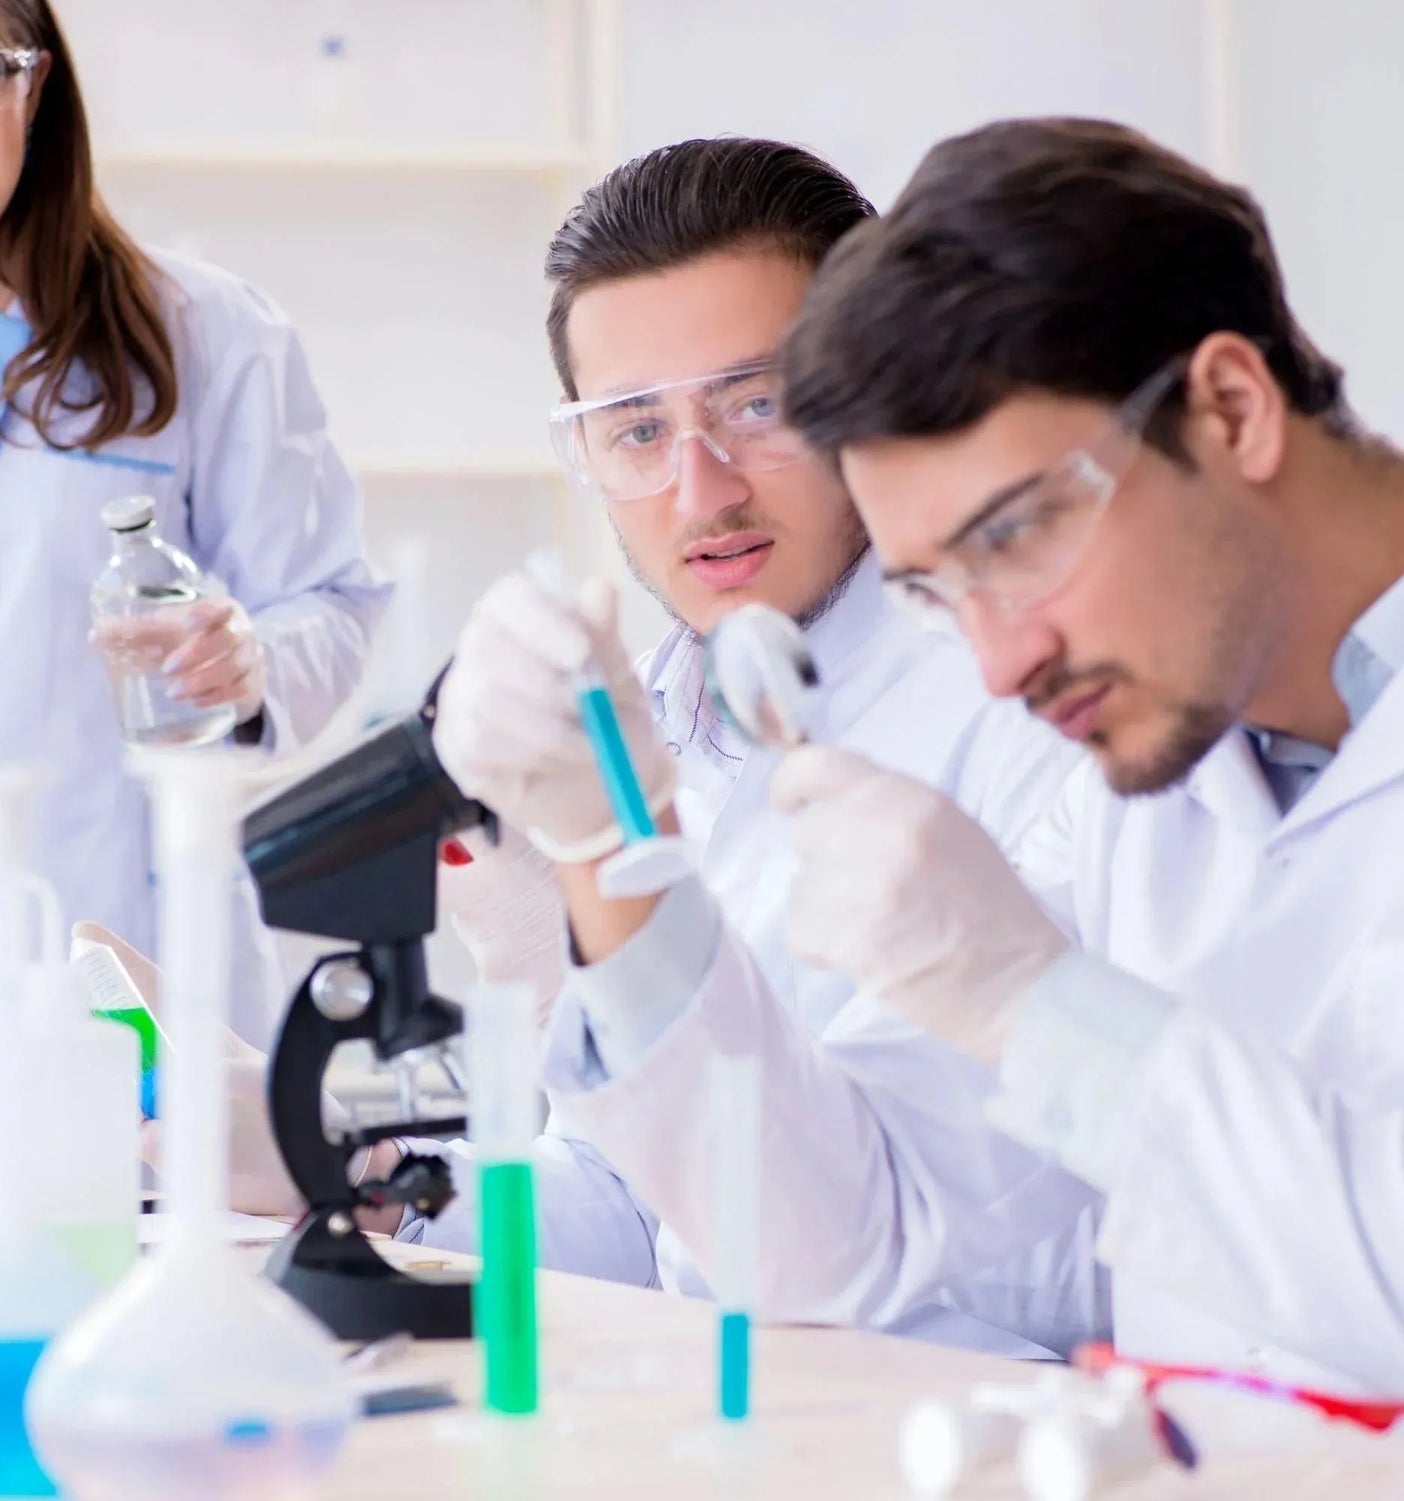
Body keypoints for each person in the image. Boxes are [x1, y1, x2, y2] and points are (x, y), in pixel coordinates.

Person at [411, 137, 1101, 1357]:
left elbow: (879, 1251)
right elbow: (641, 1211)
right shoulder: (667, 705)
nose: (700, 492)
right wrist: (303, 1155)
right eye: (634, 430)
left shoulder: (1034, 704)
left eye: (760, 405)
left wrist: (621, 865)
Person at [776, 116, 1404, 1391]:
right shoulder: (1137, 783)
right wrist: (610, 903)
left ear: (1230, 408)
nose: (1000, 664)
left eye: (1013, 537)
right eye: (935, 590)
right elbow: (855, 1222)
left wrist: (1041, 1007)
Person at [0, 0, 386, 1040]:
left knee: (167, 1192)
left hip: (140, 956)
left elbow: (333, 602)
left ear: (34, 86)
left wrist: (251, 660)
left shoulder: (204, 333)